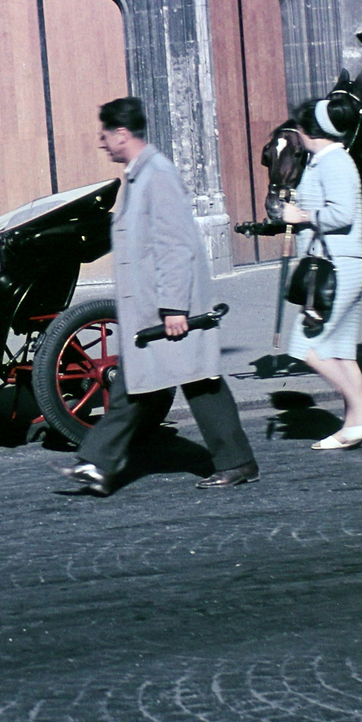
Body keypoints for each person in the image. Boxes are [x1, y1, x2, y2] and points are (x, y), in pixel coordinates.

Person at [61, 97, 258, 495]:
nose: (101, 143)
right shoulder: (139, 176)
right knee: (138, 388)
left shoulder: (157, 174)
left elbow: (175, 245)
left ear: (122, 133)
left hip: (165, 309)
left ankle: (237, 462)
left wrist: (174, 307)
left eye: (104, 135)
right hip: (149, 311)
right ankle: (96, 465)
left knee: (197, 383)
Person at [278, 95, 362, 450]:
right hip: (340, 264)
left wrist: (302, 216)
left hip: (337, 266)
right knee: (341, 352)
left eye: (298, 128)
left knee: (308, 347)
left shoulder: (334, 162)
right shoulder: (323, 161)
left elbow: (342, 215)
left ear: (309, 131)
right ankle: (354, 427)